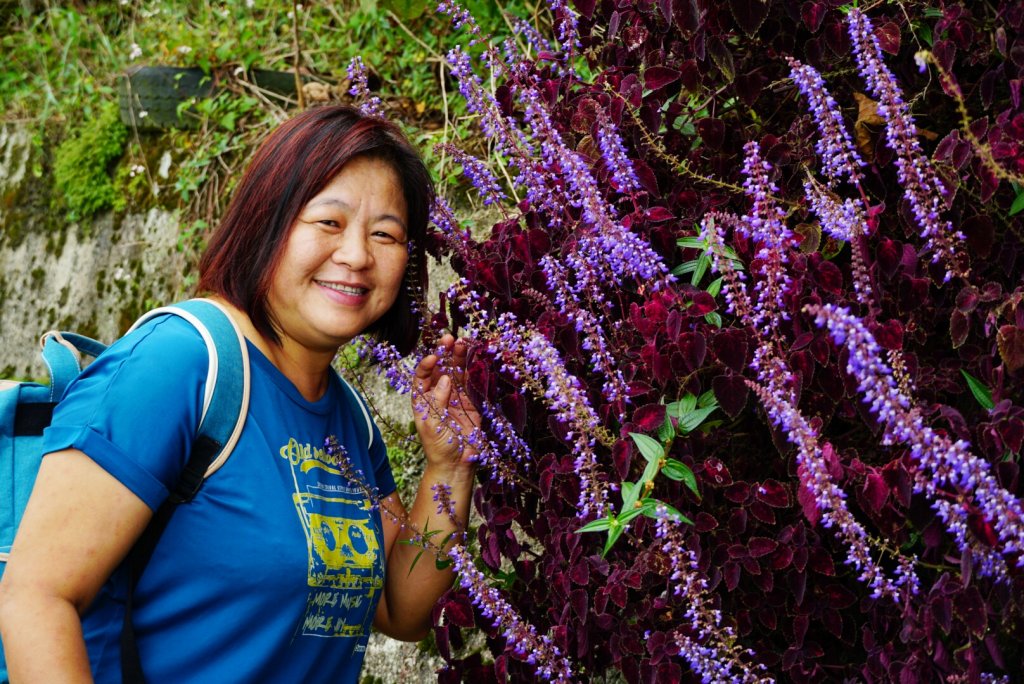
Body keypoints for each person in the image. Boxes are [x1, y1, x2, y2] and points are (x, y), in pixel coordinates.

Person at [0, 105, 479, 682]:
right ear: (267, 220)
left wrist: (447, 466)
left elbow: (402, 609)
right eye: (329, 222)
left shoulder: (350, 417)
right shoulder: (182, 364)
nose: (357, 256)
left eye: (386, 234)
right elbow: (35, 597)